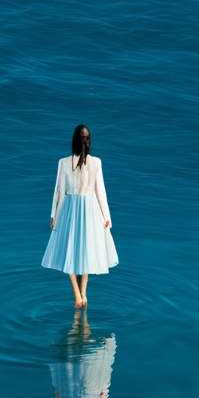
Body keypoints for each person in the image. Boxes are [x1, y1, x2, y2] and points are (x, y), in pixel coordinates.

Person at [41, 124, 118, 307]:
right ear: (88, 141)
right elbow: (101, 193)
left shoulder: (64, 162)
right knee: (87, 249)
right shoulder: (96, 162)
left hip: (69, 209)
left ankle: (77, 294)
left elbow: (58, 192)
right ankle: (83, 293)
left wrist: (54, 214)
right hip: (90, 208)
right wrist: (106, 216)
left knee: (70, 250)